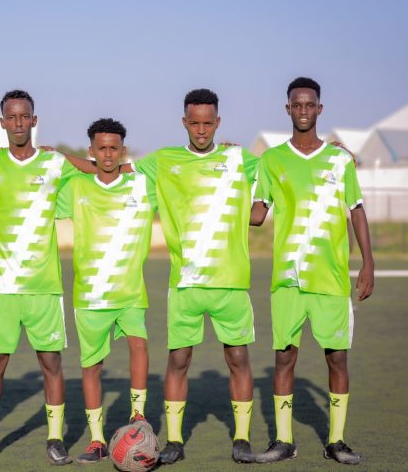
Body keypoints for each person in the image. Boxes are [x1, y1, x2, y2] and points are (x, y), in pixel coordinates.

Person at [62, 89, 260, 464]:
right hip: (183, 281)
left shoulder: (239, 158)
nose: (201, 130)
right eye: (194, 122)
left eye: (208, 123)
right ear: (184, 122)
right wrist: (60, 157)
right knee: (178, 360)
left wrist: (338, 152)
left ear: (218, 122)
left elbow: (272, 179)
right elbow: (110, 169)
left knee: (238, 357)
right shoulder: (163, 160)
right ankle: (173, 440)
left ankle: (243, 439)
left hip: (232, 280)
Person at [251, 77, 374, 465]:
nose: (303, 111)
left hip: (331, 277)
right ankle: (284, 441)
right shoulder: (271, 160)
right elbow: (257, 214)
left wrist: (369, 263)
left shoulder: (340, 160)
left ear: (319, 109)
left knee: (337, 357)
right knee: (284, 356)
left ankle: (336, 441)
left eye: (309, 105)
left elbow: (356, 210)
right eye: (296, 105)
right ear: (287, 109)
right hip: (287, 279)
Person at [0, 90, 79, 465]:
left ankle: (55, 439)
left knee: (52, 364)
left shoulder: (54, 164)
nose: (18, 124)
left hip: (44, 286)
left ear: (34, 120)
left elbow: (97, 171)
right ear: (2, 123)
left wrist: (78, 158)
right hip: (2, 287)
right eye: (11, 117)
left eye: (25, 117)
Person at [55, 118, 156, 464]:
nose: (108, 154)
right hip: (90, 294)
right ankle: (97, 440)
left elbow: (183, 173)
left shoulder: (143, 185)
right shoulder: (76, 188)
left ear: (123, 150)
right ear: (92, 151)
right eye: (102, 148)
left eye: (114, 148)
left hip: (129, 290)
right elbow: (49, 171)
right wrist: (61, 158)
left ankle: (137, 417)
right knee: (91, 366)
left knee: (138, 344)